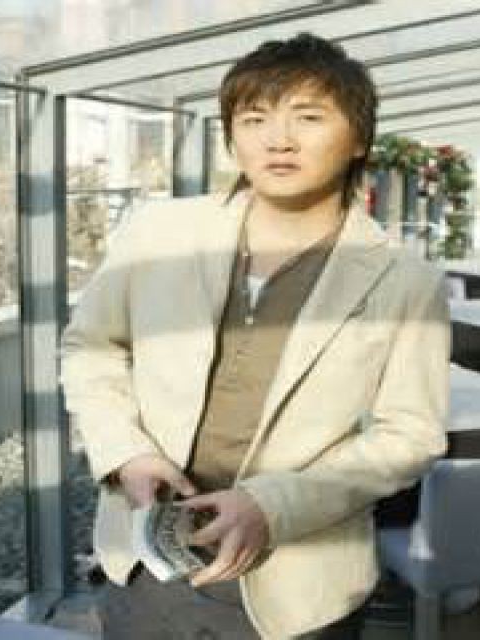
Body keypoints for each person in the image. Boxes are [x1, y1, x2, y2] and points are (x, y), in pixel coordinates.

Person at [60, 33, 450, 639]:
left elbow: (411, 434)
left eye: (309, 117)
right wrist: (126, 454)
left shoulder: (404, 280)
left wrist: (273, 506)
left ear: (359, 140)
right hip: (145, 568)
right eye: (254, 118)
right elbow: (92, 349)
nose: (278, 139)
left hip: (298, 589)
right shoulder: (160, 233)